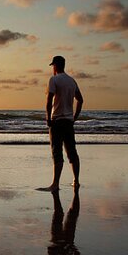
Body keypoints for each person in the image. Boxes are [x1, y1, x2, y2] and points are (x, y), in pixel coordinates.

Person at [41, 55, 83, 191]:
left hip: (57, 120)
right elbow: (80, 100)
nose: (52, 68)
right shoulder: (72, 81)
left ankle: (55, 184)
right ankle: (76, 180)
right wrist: (74, 117)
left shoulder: (54, 80)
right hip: (69, 122)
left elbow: (49, 100)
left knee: (57, 152)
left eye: (53, 66)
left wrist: (48, 118)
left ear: (56, 66)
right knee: (72, 152)